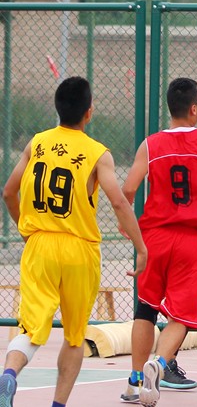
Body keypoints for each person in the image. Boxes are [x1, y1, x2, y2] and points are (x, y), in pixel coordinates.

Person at [0, 77, 148, 407]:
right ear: (89, 112)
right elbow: (119, 202)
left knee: (30, 329)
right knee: (74, 335)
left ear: (57, 108)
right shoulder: (97, 153)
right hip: (80, 250)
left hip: (40, 244)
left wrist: (27, 232)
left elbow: (9, 192)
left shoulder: (36, 143)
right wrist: (140, 247)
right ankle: (58, 405)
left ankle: (8, 376)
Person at [120, 78, 197, 406]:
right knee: (181, 317)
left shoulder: (150, 144)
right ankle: (158, 363)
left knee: (145, 309)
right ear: (195, 109)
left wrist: (125, 223)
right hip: (192, 240)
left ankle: (133, 382)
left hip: (155, 237)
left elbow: (128, 189)